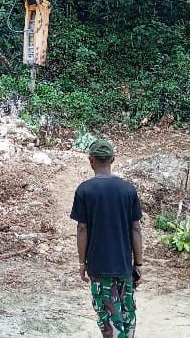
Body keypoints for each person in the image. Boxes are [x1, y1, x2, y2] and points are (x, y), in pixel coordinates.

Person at [70, 138, 143, 338]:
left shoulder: (84, 190)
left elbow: (82, 228)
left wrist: (81, 262)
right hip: (124, 266)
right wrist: (138, 263)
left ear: (91, 160)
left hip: (99, 266)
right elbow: (136, 228)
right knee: (127, 314)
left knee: (109, 319)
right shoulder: (128, 190)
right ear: (112, 160)